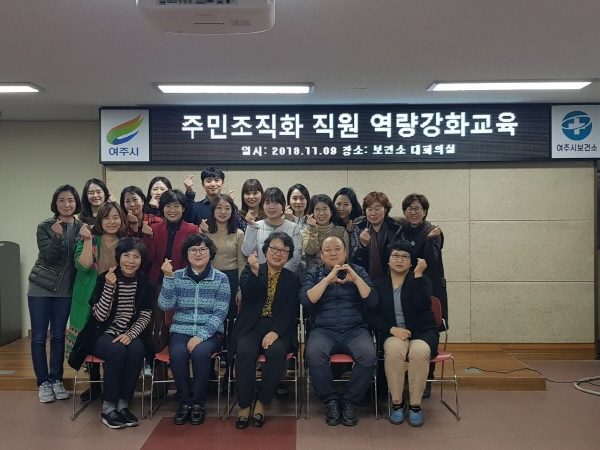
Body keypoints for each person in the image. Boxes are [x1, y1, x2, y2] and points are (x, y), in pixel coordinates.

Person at [68, 238, 154, 429]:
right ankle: (108, 407)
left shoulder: (145, 283)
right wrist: (109, 287)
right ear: (119, 257)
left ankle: (123, 404)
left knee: (136, 350)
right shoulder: (105, 278)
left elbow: (145, 315)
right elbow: (99, 316)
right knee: (117, 351)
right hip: (101, 333)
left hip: (130, 333)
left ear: (141, 260)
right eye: (126, 255)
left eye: (136, 257)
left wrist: (130, 334)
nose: (130, 261)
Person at [301, 236, 378, 427]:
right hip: (324, 330)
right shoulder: (314, 273)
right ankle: (331, 401)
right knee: (314, 354)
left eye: (337, 249)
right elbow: (306, 300)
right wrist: (327, 280)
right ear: (321, 255)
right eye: (328, 249)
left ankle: (351, 402)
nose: (333, 253)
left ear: (345, 252)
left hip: (355, 330)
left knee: (368, 355)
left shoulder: (358, 271)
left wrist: (356, 279)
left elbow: (373, 301)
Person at [230, 232, 301, 429]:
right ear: (265, 250)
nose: (278, 253)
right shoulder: (251, 270)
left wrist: (276, 332)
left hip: (278, 328)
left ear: (289, 254)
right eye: (274, 249)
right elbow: (248, 295)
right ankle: (244, 405)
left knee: (277, 352)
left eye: (284, 250)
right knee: (245, 352)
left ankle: (262, 402)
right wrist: (254, 271)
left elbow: (290, 310)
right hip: (251, 326)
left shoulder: (293, 279)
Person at [158, 234, 230, 425]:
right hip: (181, 329)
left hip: (210, 332)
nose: (198, 254)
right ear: (187, 254)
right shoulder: (177, 276)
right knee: (178, 354)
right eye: (193, 250)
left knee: (200, 353)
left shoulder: (221, 278)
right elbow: (165, 305)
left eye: (202, 249)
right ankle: (184, 403)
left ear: (210, 252)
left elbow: (221, 312)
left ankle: (198, 404)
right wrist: (168, 278)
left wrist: (200, 336)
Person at [367, 240, 438, 427]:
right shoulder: (378, 285)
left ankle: (415, 406)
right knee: (393, 351)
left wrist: (418, 275)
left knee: (419, 352)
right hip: (394, 333)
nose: (400, 260)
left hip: (422, 332)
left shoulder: (421, 279)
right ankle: (397, 403)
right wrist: (392, 329)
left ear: (411, 261)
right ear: (388, 260)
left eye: (405, 256)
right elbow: (371, 316)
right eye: (396, 256)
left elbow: (422, 305)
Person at [67, 201, 129, 401]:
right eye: (107, 218)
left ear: (122, 220)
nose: (112, 222)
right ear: (99, 220)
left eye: (116, 217)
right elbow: (84, 266)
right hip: (88, 295)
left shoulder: (126, 242)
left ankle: (113, 385)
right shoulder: (90, 239)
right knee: (89, 334)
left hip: (117, 296)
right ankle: (94, 384)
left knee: (110, 337)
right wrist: (87, 241)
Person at [27, 184, 83, 403]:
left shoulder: (81, 228)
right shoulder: (46, 226)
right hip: (40, 288)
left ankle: (56, 379)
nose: (66, 204)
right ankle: (43, 383)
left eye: (71, 200)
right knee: (39, 337)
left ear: (76, 203)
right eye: (62, 200)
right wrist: (57, 238)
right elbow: (48, 258)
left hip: (65, 291)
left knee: (59, 336)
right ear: (55, 203)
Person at [141, 189, 199, 375]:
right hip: (158, 285)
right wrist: (148, 238)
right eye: (168, 206)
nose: (172, 210)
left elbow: (192, 260)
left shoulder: (192, 230)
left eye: (176, 206)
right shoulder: (154, 229)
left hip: (183, 286)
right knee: (156, 330)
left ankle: (180, 373)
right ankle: (159, 380)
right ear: (162, 208)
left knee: (177, 328)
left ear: (183, 208)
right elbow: (148, 259)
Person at [396, 193, 448, 398]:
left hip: (430, 288)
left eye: (418, 208)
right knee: (407, 328)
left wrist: (430, 240)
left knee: (427, 330)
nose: (413, 212)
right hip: (407, 287)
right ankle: (410, 375)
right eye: (409, 208)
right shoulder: (402, 230)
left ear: (425, 211)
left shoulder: (433, 232)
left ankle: (427, 380)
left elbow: (431, 261)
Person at [200, 194, 245, 323]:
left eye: (227, 208)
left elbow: (242, 262)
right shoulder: (205, 232)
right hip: (209, 278)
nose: (223, 212)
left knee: (230, 317)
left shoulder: (238, 233)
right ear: (213, 210)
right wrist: (201, 234)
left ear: (232, 211)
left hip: (231, 279)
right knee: (209, 316)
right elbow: (198, 258)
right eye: (219, 207)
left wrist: (240, 288)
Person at [242, 187, 302, 273]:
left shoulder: (294, 228)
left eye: (276, 202)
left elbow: (295, 259)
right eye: (267, 202)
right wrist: (252, 227)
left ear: (283, 206)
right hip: (260, 275)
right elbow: (247, 252)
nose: (271, 207)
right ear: (263, 205)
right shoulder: (256, 226)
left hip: (286, 277)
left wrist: (277, 275)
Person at [352, 192, 403, 281]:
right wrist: (362, 245)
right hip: (363, 279)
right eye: (369, 209)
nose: (373, 213)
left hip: (390, 279)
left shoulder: (396, 228)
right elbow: (353, 260)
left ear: (385, 209)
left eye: (377, 209)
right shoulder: (358, 227)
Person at [302, 194, 349, 270]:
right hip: (314, 273)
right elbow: (310, 251)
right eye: (317, 209)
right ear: (312, 213)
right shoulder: (306, 232)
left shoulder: (341, 231)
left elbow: (346, 256)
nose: (321, 213)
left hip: (338, 270)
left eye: (325, 209)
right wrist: (313, 229)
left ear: (331, 212)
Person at [332, 187, 363, 258]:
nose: (341, 208)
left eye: (346, 204)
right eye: (338, 204)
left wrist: (351, 233)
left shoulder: (360, 223)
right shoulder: (331, 223)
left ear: (352, 206)